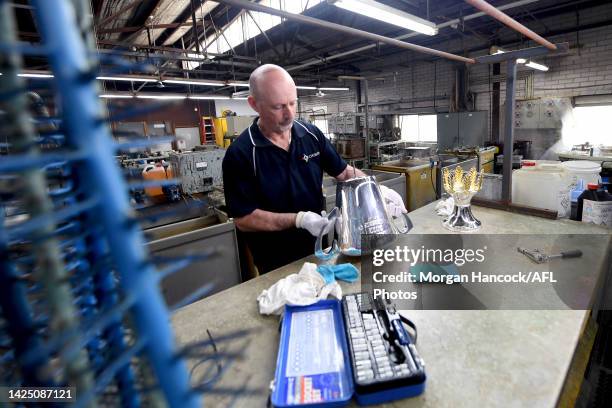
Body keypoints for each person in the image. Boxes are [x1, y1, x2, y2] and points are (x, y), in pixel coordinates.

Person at [222, 64, 406, 274]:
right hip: (274, 261)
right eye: (278, 106)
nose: (289, 114)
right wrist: (299, 220)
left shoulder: (310, 134)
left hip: (318, 250)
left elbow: (344, 172)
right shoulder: (242, 153)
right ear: (254, 104)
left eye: (293, 103)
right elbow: (244, 219)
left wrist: (375, 192)